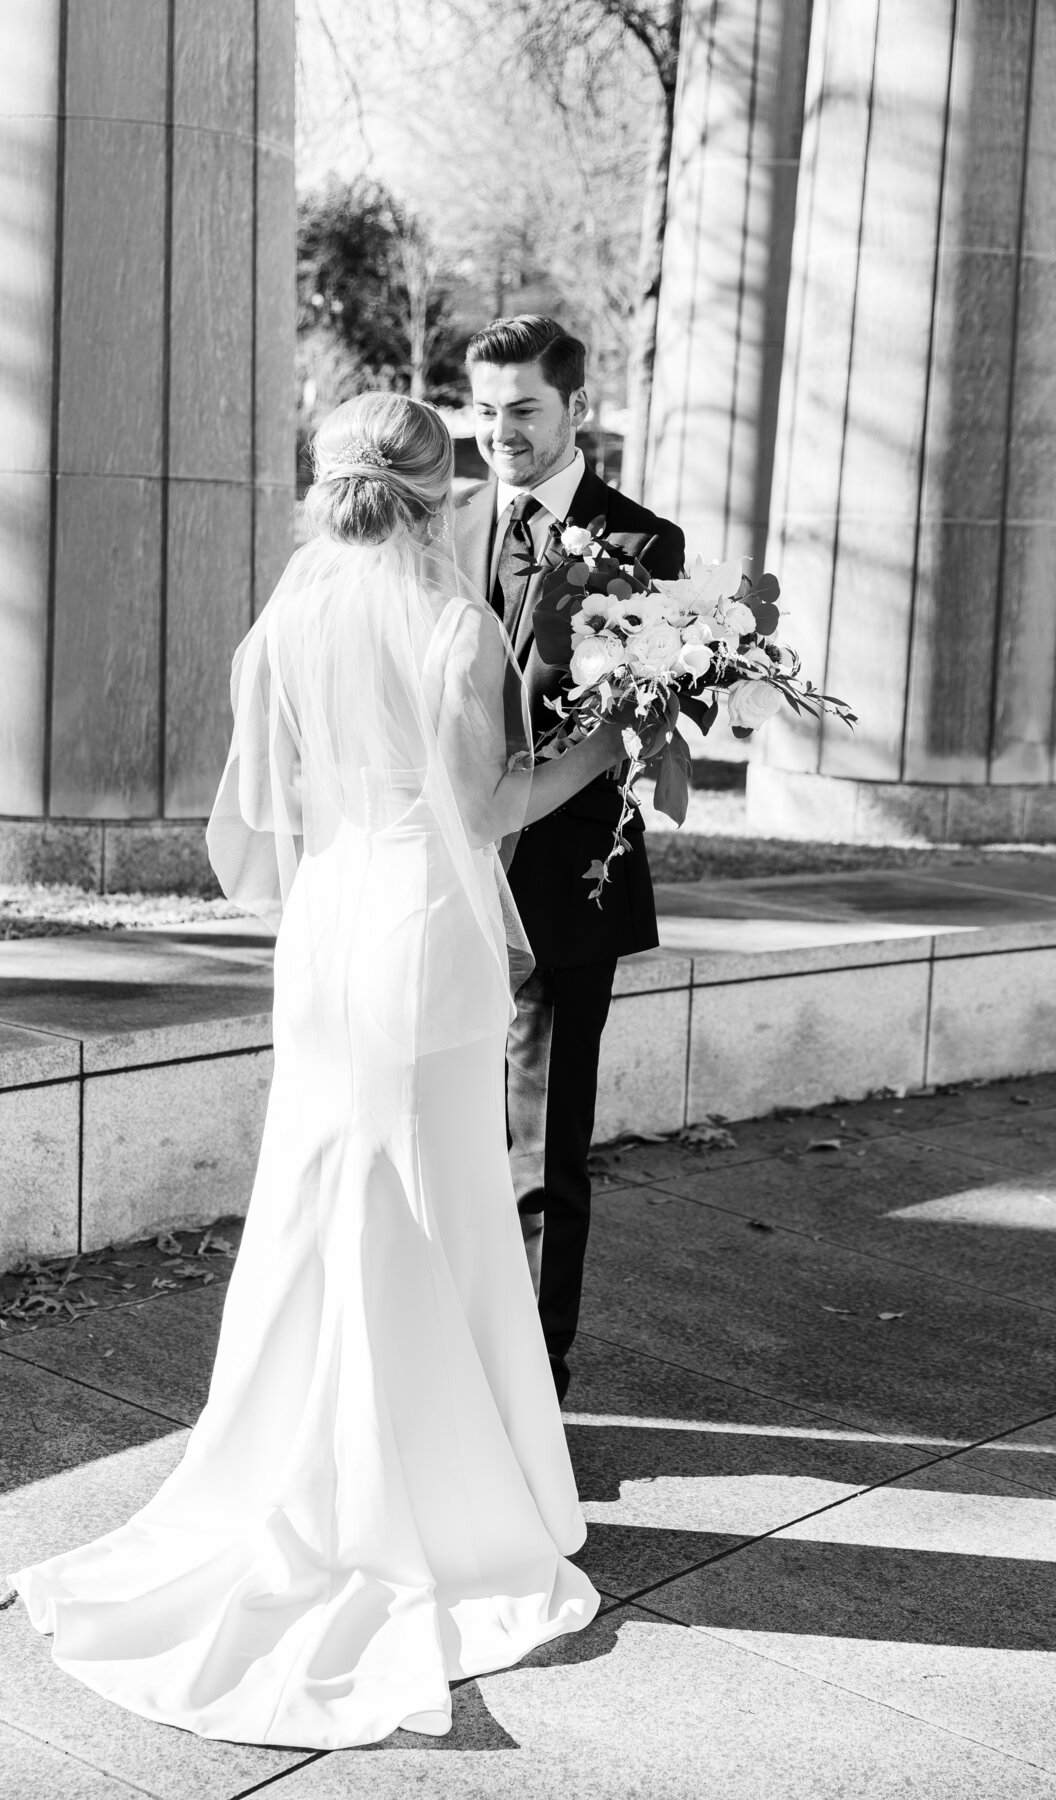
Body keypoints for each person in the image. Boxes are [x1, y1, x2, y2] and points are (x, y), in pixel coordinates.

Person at [10, 393, 638, 1750]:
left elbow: (262, 816)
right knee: (442, 1199)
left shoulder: (288, 615)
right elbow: (486, 812)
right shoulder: (455, 627)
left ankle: (306, 1462)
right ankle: (442, 1490)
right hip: (424, 933)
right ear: (444, 489)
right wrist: (609, 740)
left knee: (323, 1199)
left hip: (332, 927)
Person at [454, 316, 685, 1402]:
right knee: (445, 1125)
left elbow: (643, 718)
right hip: (442, 881)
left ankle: (533, 1374)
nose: (499, 432)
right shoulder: (442, 524)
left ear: (574, 408)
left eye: (523, 410)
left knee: (544, 1138)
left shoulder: (645, 545)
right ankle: (445, 1341)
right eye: (485, 410)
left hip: (563, 881)